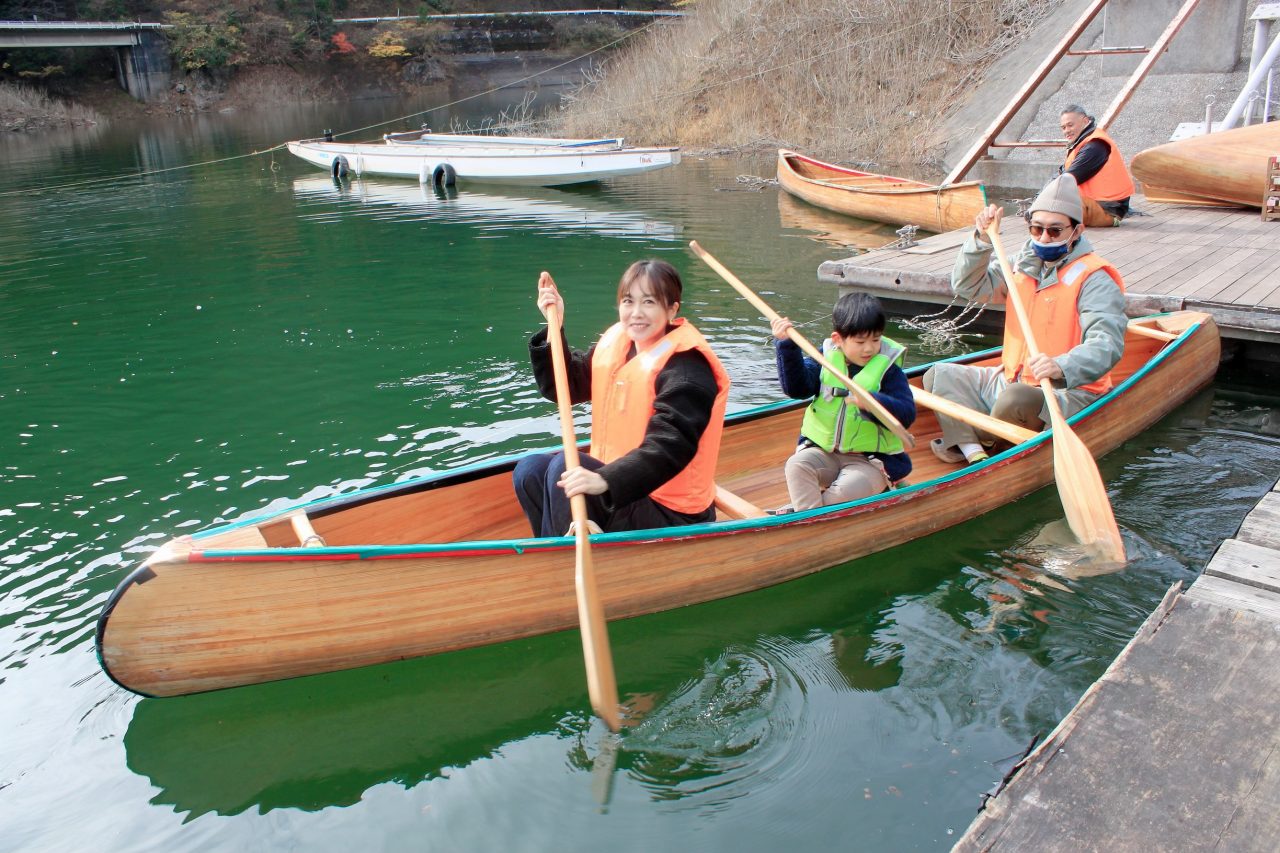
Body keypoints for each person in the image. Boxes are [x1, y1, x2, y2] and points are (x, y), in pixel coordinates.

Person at [513, 259, 731, 537]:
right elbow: (566, 387)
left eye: (649, 302)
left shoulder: (688, 368)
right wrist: (554, 326)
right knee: (530, 470)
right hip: (622, 489)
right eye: (628, 301)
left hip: (671, 510)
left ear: (671, 309)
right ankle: (556, 547)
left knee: (565, 466)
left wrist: (605, 480)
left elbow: (672, 446)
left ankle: (560, 554)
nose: (636, 313)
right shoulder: (620, 343)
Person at [923, 172, 1127, 465]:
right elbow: (968, 286)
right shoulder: (1022, 263)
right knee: (939, 375)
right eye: (1036, 228)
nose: (1043, 237)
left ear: (1077, 231)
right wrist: (981, 240)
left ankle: (977, 440)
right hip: (1010, 378)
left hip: (1065, 390)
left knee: (1015, 399)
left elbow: (1107, 344)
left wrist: (1061, 366)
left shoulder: (1094, 279)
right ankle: (974, 448)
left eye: (1055, 231)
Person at [770, 292, 916, 511]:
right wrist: (786, 346)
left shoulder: (890, 372)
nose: (869, 348)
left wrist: (873, 403)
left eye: (875, 340)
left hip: (871, 462)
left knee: (845, 492)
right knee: (796, 465)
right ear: (838, 339)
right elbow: (797, 389)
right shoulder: (825, 359)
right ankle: (810, 516)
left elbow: (906, 415)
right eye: (860, 342)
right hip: (825, 453)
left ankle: (804, 514)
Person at [1059, 104, 1135, 227]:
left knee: (1051, 209)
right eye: (1063, 127)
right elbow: (1062, 174)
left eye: (1070, 125)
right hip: (1096, 204)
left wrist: (1040, 201)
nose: (1066, 131)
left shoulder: (1094, 145)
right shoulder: (1085, 141)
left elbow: (1066, 180)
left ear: (1085, 121)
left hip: (1107, 210)